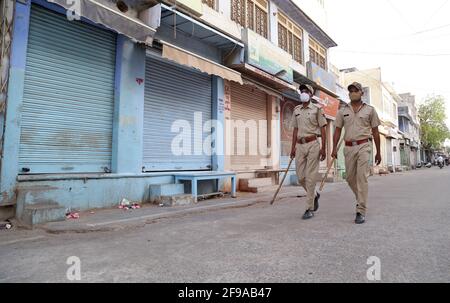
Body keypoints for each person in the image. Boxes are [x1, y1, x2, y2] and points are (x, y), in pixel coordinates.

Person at [331, 82, 381, 224]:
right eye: (351, 91)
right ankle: (361, 199)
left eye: (356, 90)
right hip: (348, 148)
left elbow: (376, 132)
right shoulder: (342, 111)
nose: (353, 93)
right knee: (350, 178)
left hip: (364, 146)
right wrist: (334, 148)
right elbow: (338, 130)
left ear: (361, 93)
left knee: (361, 178)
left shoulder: (370, 110)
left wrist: (378, 152)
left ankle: (361, 210)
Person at [289, 84, 327, 220]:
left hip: (313, 144)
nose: (303, 93)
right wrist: (292, 147)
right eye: (302, 91)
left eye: (306, 91)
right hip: (300, 145)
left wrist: (324, 148)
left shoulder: (317, 109)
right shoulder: (296, 109)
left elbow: (323, 129)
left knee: (310, 177)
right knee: (301, 177)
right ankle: (315, 195)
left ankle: (309, 208)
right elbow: (294, 129)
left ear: (311, 95)